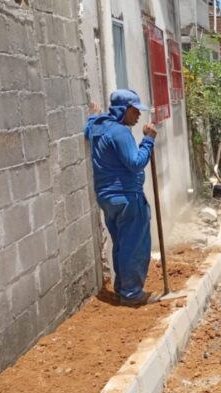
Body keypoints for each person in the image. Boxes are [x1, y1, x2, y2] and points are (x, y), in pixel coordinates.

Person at [84, 89, 158, 306]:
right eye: (135, 111)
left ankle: (122, 289)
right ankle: (132, 294)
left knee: (121, 245)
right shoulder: (120, 133)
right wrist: (148, 140)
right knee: (134, 245)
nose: (138, 116)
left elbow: (88, 130)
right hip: (127, 198)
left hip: (107, 198)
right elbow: (135, 163)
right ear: (123, 110)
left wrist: (93, 116)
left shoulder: (98, 127)